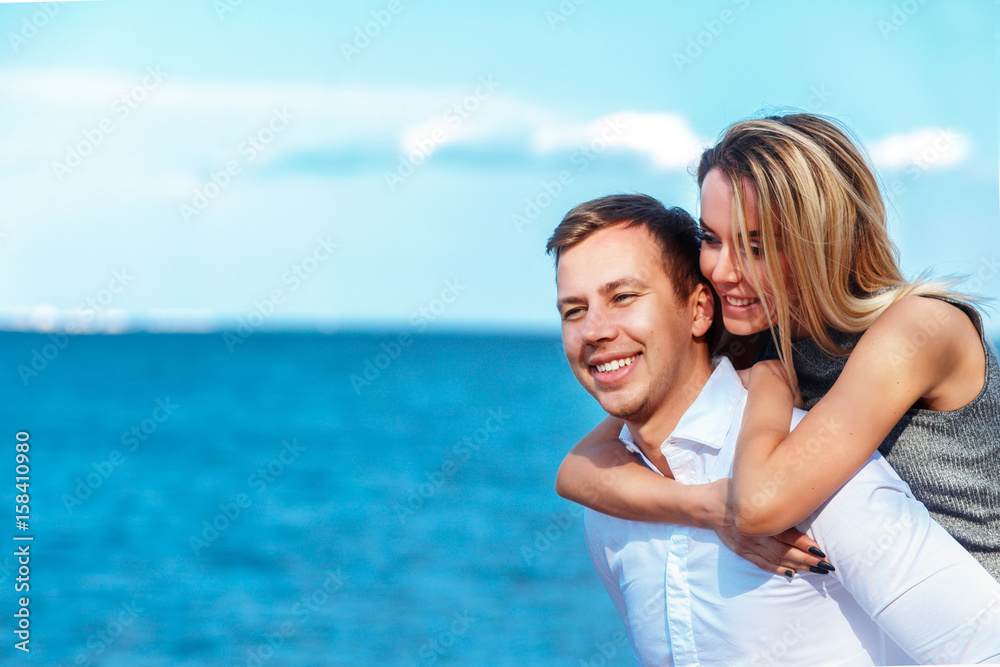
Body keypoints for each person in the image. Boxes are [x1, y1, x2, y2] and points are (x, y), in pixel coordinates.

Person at [549, 193, 1000, 665]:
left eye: (623, 297)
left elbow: (980, 648)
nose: (594, 330)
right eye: (573, 310)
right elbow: (573, 473)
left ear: (700, 311)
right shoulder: (611, 508)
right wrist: (709, 506)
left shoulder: (814, 469)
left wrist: (766, 389)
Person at [556, 112, 1000, 580]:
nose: (723, 272)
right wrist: (703, 507)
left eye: (757, 246)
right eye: (712, 238)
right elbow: (578, 471)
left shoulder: (919, 328)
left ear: (825, 242)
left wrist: (769, 379)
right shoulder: (758, 332)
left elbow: (759, 506)